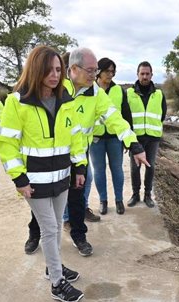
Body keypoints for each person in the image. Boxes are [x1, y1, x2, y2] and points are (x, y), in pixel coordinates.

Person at [23, 48, 149, 257]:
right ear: (73, 69)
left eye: (96, 70)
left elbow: (114, 117)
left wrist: (133, 144)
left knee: (77, 196)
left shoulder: (96, 93)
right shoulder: (55, 88)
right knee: (43, 196)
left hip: (79, 154)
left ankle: (78, 235)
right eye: (90, 70)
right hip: (52, 155)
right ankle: (34, 234)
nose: (94, 75)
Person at [0, 45, 86, 302]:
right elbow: (5, 143)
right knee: (48, 228)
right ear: (36, 70)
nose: (55, 75)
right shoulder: (17, 102)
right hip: (34, 182)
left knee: (57, 226)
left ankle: (52, 267)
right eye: (49, 70)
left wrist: (79, 167)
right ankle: (57, 283)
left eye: (59, 69)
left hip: (61, 178)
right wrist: (19, 178)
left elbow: (76, 137)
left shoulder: (66, 100)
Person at [90, 58, 130, 215]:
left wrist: (128, 139)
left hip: (115, 138)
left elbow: (126, 115)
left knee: (117, 169)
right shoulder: (90, 90)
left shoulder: (119, 90)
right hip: (96, 139)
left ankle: (119, 200)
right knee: (99, 170)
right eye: (108, 71)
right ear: (99, 71)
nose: (111, 74)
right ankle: (103, 201)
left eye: (113, 71)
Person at [126, 61, 167, 208]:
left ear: (151, 75)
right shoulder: (129, 93)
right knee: (135, 167)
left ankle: (148, 195)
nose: (144, 76)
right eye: (142, 73)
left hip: (153, 137)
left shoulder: (159, 94)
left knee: (151, 167)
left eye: (147, 74)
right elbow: (126, 116)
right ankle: (135, 194)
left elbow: (162, 114)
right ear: (137, 74)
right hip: (135, 137)